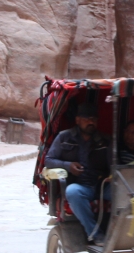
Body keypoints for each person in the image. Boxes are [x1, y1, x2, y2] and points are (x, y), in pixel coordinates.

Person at [44, 103, 111, 243]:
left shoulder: (105, 140)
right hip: (79, 186)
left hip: (101, 186)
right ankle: (95, 235)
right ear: (77, 120)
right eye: (87, 119)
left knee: (125, 192)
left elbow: (113, 164)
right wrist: (68, 166)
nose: (91, 122)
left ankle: (118, 232)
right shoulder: (64, 137)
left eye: (94, 119)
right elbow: (48, 160)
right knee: (72, 192)